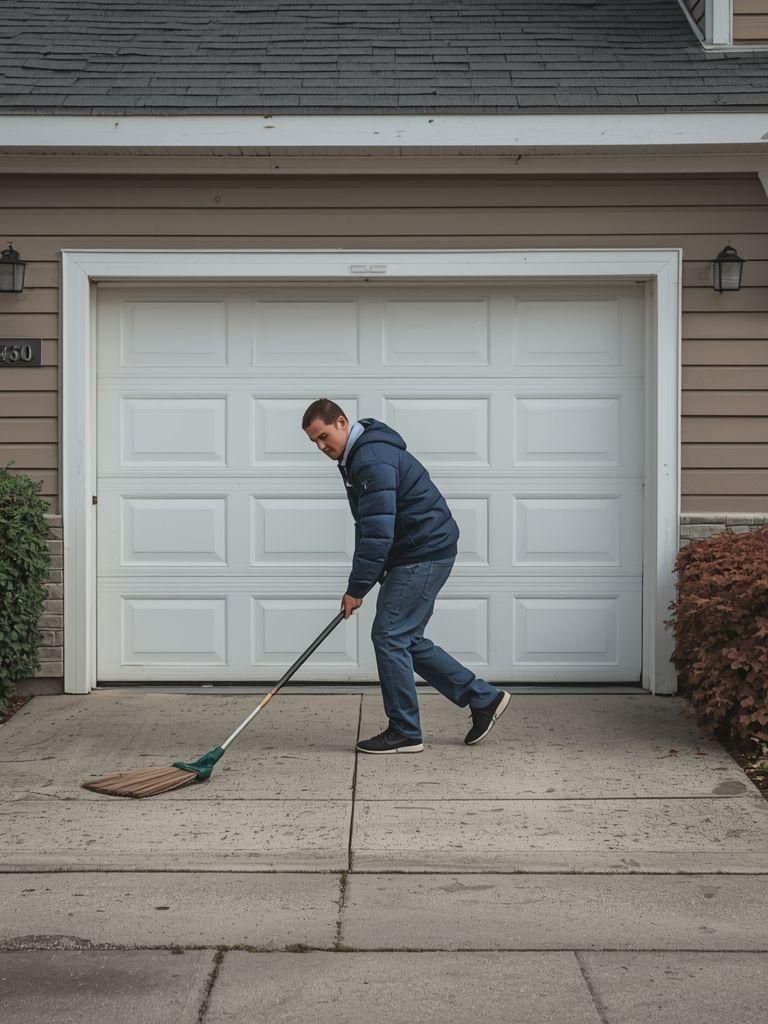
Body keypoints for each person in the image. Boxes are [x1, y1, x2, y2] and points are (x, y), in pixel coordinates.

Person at [302, 398, 510, 754]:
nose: (322, 447)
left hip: (423, 552)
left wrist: (357, 587)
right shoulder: (357, 455)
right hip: (421, 550)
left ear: (341, 421)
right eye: (315, 442)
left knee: (388, 635)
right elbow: (369, 524)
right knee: (404, 638)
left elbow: (378, 534)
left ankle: (405, 731)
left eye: (324, 436)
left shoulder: (370, 459)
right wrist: (362, 582)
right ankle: (484, 698)